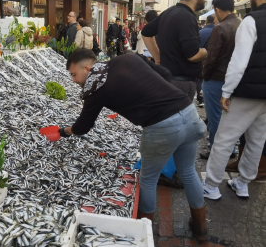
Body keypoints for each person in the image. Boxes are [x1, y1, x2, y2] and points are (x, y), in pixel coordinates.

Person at [58, 49, 207, 242]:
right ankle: (201, 229)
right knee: (188, 172)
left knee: (148, 179)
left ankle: (144, 233)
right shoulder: (128, 57)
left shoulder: (94, 88)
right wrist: (158, 96)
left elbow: (83, 126)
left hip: (161, 126)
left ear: (87, 68)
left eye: (74, 74)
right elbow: (166, 74)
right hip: (188, 112)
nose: (73, 80)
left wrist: (64, 131)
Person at [202, 0, 266, 200]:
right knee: (257, 140)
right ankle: (242, 183)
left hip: (248, 92)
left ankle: (211, 185)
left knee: (224, 139)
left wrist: (226, 92)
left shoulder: (252, 20)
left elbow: (239, 61)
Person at [142, 0, 208, 101]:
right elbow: (192, 55)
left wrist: (158, 57)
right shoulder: (187, 17)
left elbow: (146, 33)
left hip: (167, 78)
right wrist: (205, 53)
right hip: (181, 83)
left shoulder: (168, 12)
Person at [199, 0, 241, 160]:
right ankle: (229, 149)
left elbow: (211, 58)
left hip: (216, 79)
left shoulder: (221, 27)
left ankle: (217, 150)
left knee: (215, 118)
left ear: (217, 9)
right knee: (228, 119)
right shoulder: (240, 24)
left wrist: (205, 76)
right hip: (234, 79)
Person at [196, 15, 216, 107]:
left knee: (199, 79)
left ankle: (200, 98)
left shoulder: (200, 32)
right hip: (214, 61)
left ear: (206, 22)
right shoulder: (217, 31)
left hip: (200, 59)